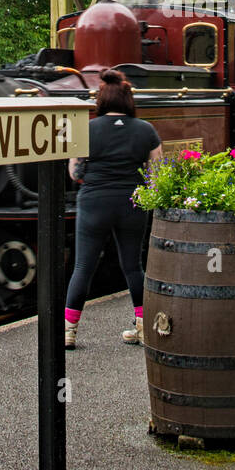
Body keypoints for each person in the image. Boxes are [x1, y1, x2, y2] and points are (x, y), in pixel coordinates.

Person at [63, 70, 162, 350]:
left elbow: (74, 172)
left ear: (101, 99)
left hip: (94, 202)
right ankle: (143, 327)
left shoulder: (87, 129)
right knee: (133, 266)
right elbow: (157, 174)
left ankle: (69, 331)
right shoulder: (146, 130)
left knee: (83, 266)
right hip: (132, 202)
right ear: (128, 100)